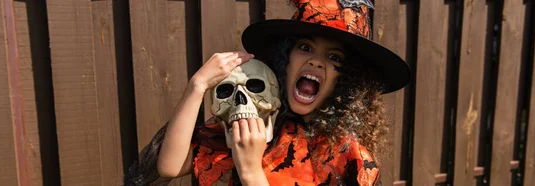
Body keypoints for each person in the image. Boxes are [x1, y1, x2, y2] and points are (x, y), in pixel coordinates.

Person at [123, 0, 411, 185]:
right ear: (285, 58)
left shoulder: (348, 160)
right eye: (305, 47)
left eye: (334, 58)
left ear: (345, 80)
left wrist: (250, 172)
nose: (315, 61)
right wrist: (196, 86)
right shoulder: (260, 125)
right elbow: (170, 166)